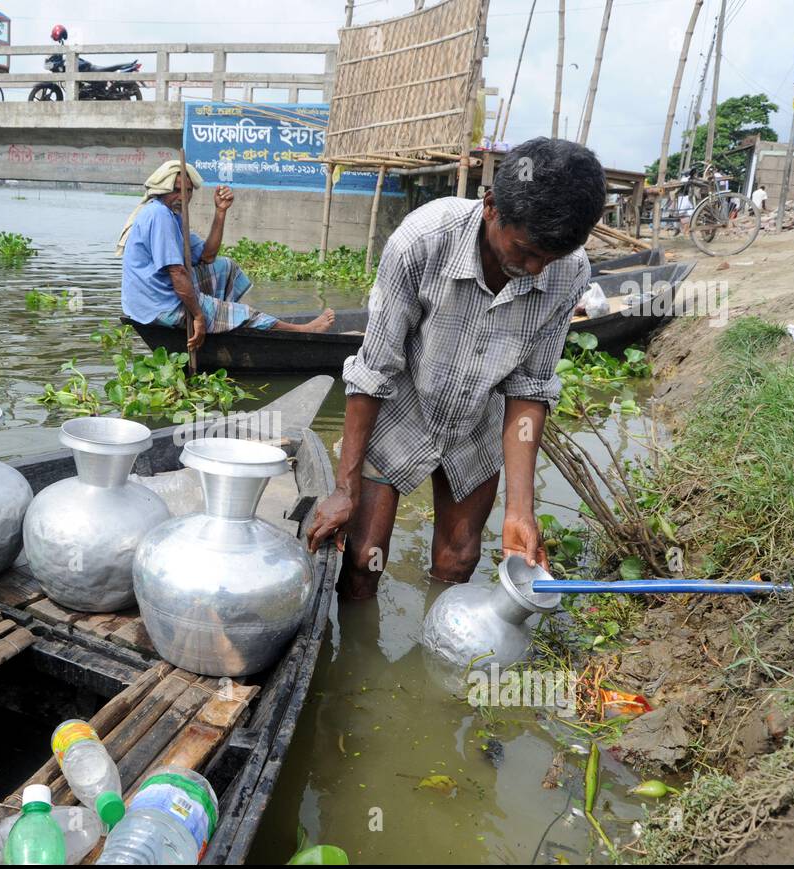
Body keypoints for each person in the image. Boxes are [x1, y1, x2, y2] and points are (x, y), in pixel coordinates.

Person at [306, 137, 607, 599]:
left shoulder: (569, 271)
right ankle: (358, 641)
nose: (536, 270)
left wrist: (520, 511)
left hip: (477, 420)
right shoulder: (423, 241)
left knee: (459, 561)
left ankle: (437, 644)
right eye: (526, 250)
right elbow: (375, 369)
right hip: (400, 411)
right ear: (490, 206)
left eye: (551, 258)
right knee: (364, 559)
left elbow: (530, 388)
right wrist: (344, 488)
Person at [118, 160, 334, 350]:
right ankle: (300, 330)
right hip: (158, 305)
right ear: (161, 190)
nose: (183, 197)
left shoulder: (174, 216)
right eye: (176, 190)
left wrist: (220, 211)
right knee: (246, 313)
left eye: (188, 191)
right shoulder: (159, 215)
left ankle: (221, 319)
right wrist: (199, 316)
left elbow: (208, 256)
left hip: (153, 297)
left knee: (225, 267)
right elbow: (177, 273)